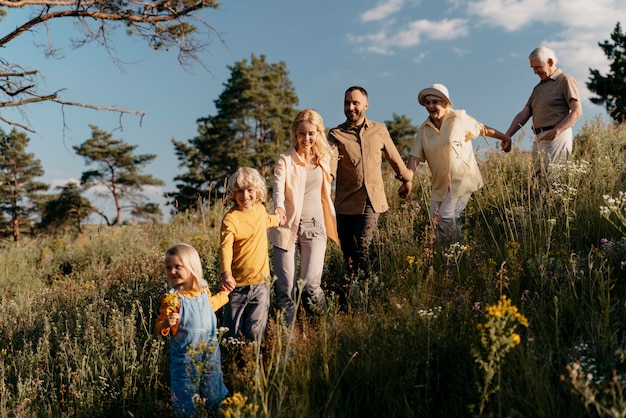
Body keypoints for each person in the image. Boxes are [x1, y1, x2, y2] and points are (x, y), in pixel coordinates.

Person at [406, 83, 512, 242]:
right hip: (439, 184)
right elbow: (414, 156)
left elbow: (482, 128)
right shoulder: (423, 130)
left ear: (445, 103)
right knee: (435, 222)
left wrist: (505, 138)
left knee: (447, 216)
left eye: (435, 102)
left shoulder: (458, 118)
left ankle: (458, 254)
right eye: (427, 103)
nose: (430, 106)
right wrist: (407, 180)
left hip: (462, 179)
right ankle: (446, 260)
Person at [328, 86, 413, 279]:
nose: (351, 107)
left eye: (355, 103)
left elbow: (394, 158)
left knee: (361, 250)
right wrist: (325, 182)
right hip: (345, 204)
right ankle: (351, 295)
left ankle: (363, 295)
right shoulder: (335, 134)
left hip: (371, 201)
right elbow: (330, 163)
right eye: (347, 103)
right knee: (348, 255)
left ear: (366, 105)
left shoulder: (379, 130)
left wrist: (407, 179)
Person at [269, 109, 339, 324]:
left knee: (310, 286)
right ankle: (286, 342)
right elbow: (278, 187)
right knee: (285, 291)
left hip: (315, 226)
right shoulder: (286, 161)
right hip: (286, 227)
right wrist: (279, 207)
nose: (306, 139)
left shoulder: (325, 158)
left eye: (311, 133)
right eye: (301, 134)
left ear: (318, 133)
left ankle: (328, 328)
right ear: (295, 133)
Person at [155, 243, 230, 417]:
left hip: (210, 356)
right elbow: (159, 327)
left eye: (177, 267)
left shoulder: (203, 290)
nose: (172, 271)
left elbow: (210, 306)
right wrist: (166, 323)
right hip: (185, 361)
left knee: (215, 393)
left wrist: (224, 296)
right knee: (185, 401)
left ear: (192, 266)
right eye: (168, 268)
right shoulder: (173, 299)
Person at [219, 167, 280, 343]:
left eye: (250, 190)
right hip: (236, 286)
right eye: (239, 190)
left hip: (261, 284)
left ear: (258, 191)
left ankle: (254, 368)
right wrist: (226, 274)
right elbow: (225, 247)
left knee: (255, 332)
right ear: (233, 193)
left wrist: (281, 219)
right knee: (232, 334)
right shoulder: (231, 218)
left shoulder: (260, 210)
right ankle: (233, 366)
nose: (245, 195)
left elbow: (269, 220)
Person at [505, 46, 583, 177]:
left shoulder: (565, 80)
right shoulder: (538, 88)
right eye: (533, 68)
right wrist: (507, 136)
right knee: (539, 182)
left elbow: (577, 111)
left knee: (552, 180)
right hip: (539, 138)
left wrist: (556, 132)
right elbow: (524, 114)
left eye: (538, 67)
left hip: (557, 137)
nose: (535, 72)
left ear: (551, 62)